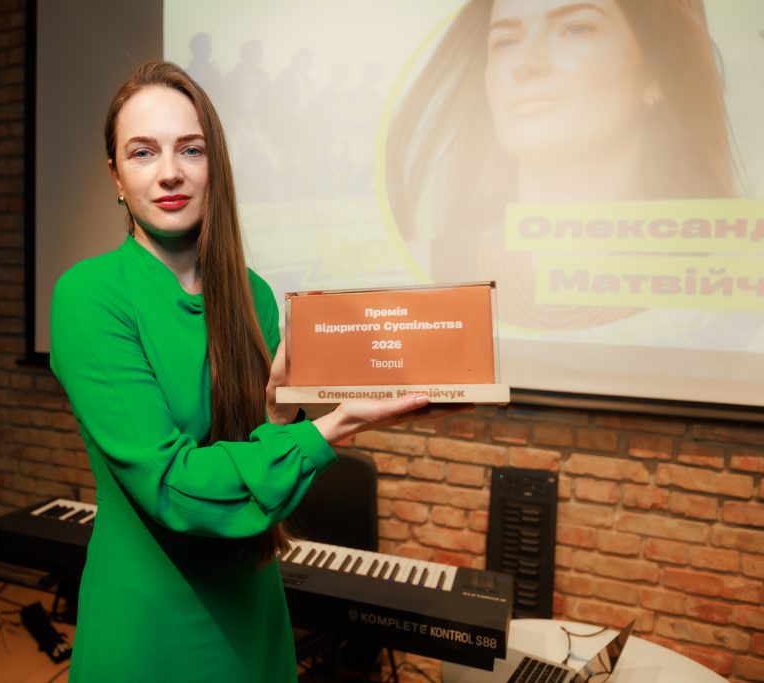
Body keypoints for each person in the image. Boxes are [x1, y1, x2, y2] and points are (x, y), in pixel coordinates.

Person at [50, 60, 459, 682]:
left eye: (191, 149)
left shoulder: (255, 295)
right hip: (149, 629)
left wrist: (280, 415)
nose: (169, 172)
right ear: (116, 176)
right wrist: (332, 426)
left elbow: (259, 469)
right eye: (143, 152)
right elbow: (175, 486)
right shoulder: (88, 296)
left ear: (215, 165)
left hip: (253, 610)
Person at [385, 0, 736, 329]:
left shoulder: (733, 278)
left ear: (657, 69)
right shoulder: (413, 274)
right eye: (505, 41)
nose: (525, 64)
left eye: (576, 29)